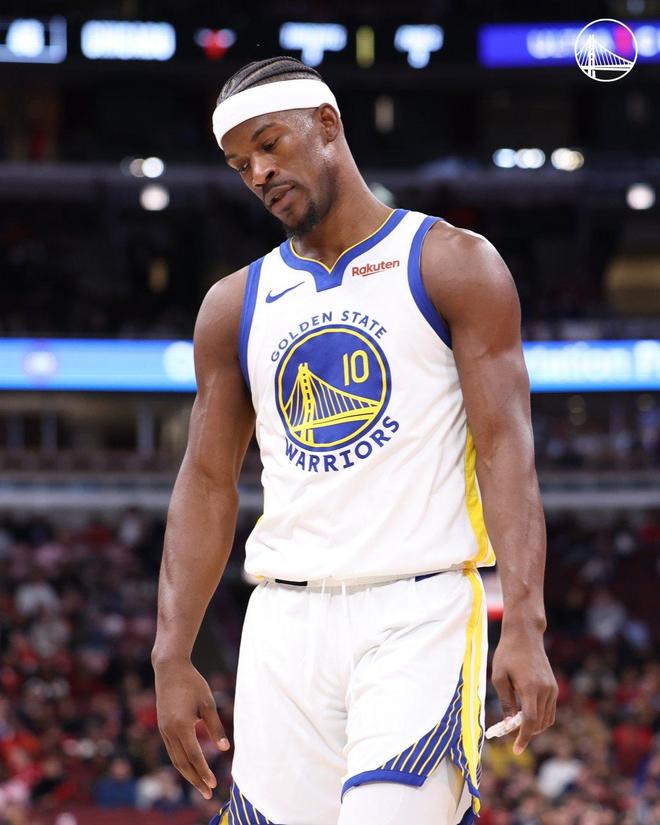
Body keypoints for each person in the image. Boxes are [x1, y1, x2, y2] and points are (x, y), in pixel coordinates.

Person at [152, 56, 557, 825]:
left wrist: (527, 624)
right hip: (282, 623)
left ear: (327, 125)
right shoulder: (234, 304)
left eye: (270, 144)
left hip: (420, 610)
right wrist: (171, 652)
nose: (259, 173)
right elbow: (205, 480)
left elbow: (507, 449)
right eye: (240, 164)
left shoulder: (452, 262)